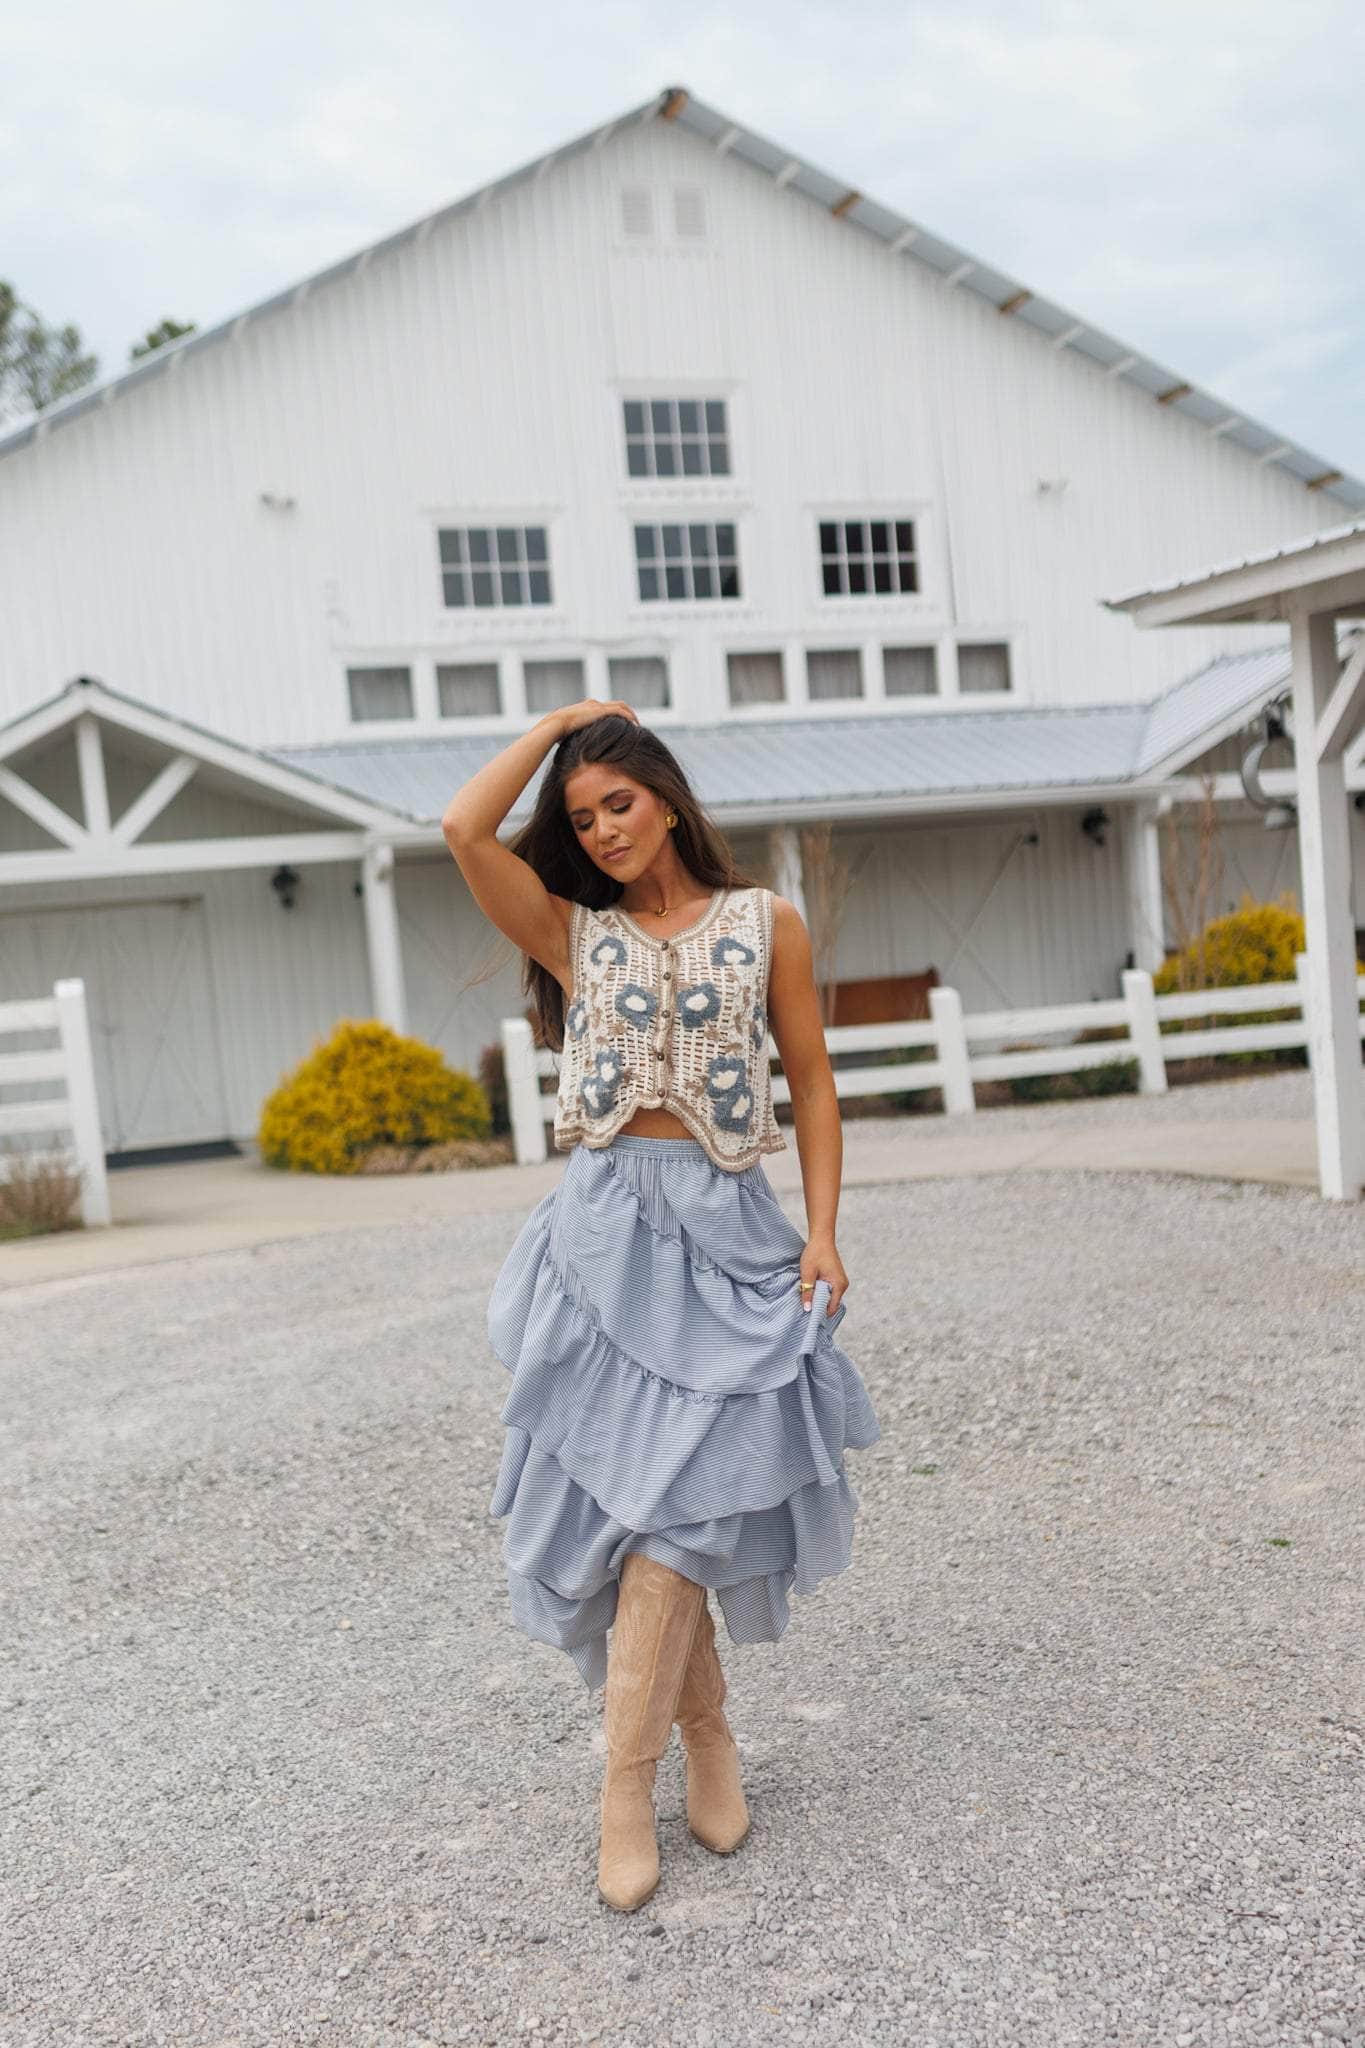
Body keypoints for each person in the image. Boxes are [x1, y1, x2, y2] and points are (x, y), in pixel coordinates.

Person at [442, 698, 881, 1912]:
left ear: (669, 797)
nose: (603, 831)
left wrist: (829, 1229)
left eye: (618, 803)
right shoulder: (573, 933)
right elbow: (463, 828)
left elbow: (813, 1081)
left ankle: (630, 1783)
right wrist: (548, 730)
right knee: (645, 1514)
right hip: (602, 1242)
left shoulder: (765, 922)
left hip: (731, 1231)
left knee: (683, 1510)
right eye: (582, 820)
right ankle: (686, 1752)